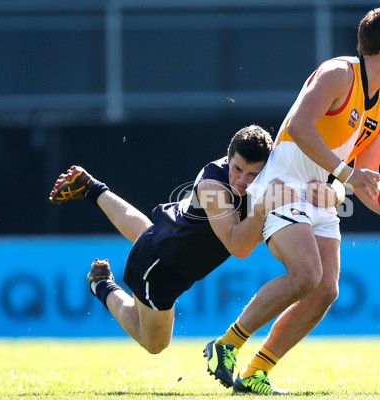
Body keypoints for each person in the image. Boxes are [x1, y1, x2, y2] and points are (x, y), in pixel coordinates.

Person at [203, 6, 380, 395]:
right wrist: (344, 176)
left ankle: (256, 372)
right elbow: (297, 127)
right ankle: (225, 346)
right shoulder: (339, 74)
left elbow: (368, 184)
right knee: (306, 274)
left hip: (320, 193)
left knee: (327, 289)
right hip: (283, 183)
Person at [48, 124, 341, 356]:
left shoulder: (271, 174)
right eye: (237, 169)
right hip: (159, 270)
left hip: (167, 236)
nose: (242, 180)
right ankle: (102, 286)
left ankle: (91, 187)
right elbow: (238, 247)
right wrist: (264, 206)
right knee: (154, 344)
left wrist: (329, 191)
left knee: (147, 234)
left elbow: (330, 191)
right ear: (229, 156)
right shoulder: (214, 184)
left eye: (254, 174)